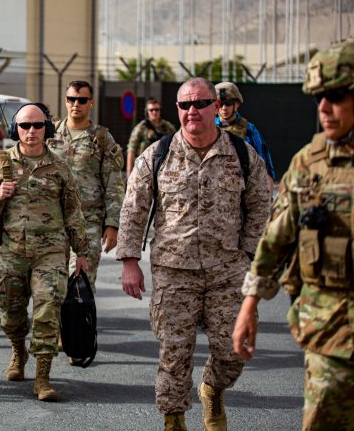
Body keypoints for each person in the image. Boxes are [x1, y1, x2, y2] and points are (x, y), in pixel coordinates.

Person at [116, 77, 271, 431]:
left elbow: (261, 203)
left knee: (233, 350)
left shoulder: (242, 154)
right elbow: (133, 208)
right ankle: (174, 420)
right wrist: (129, 262)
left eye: (200, 103)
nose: (192, 111)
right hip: (174, 270)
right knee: (174, 352)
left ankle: (213, 389)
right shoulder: (156, 154)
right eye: (185, 105)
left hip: (228, 269)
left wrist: (248, 250)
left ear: (216, 107)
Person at [233, 39, 354, 431]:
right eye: (319, 97)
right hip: (331, 329)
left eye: (335, 96)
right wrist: (249, 303)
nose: (324, 108)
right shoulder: (309, 162)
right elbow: (277, 238)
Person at [0, 102, 90, 401]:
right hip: (13, 251)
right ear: (15, 128)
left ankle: (43, 376)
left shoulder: (60, 166)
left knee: (47, 309)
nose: (31, 131)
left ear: (47, 128)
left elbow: (73, 211)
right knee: (10, 313)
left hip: (51, 251)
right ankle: (18, 351)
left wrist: (80, 252)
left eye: (38, 125)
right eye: (25, 126)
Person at [47, 80, 125, 298]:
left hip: (88, 221)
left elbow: (114, 183)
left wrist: (113, 224)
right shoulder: (49, 134)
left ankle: (80, 330)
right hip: (52, 221)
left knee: (81, 283)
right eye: (72, 99)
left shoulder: (101, 138)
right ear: (65, 101)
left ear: (91, 103)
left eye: (82, 100)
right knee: (53, 284)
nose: (76, 104)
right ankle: (58, 332)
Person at [215, 81, 276, 189]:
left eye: (228, 103)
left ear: (237, 104)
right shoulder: (208, 128)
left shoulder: (249, 130)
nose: (224, 108)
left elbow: (264, 168)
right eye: (221, 103)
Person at [126, 98, 177, 177]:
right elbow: (131, 150)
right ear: (147, 112)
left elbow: (176, 146)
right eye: (151, 110)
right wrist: (129, 172)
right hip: (144, 168)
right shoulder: (141, 128)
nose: (154, 112)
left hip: (164, 168)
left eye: (157, 110)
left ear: (160, 111)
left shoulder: (168, 127)